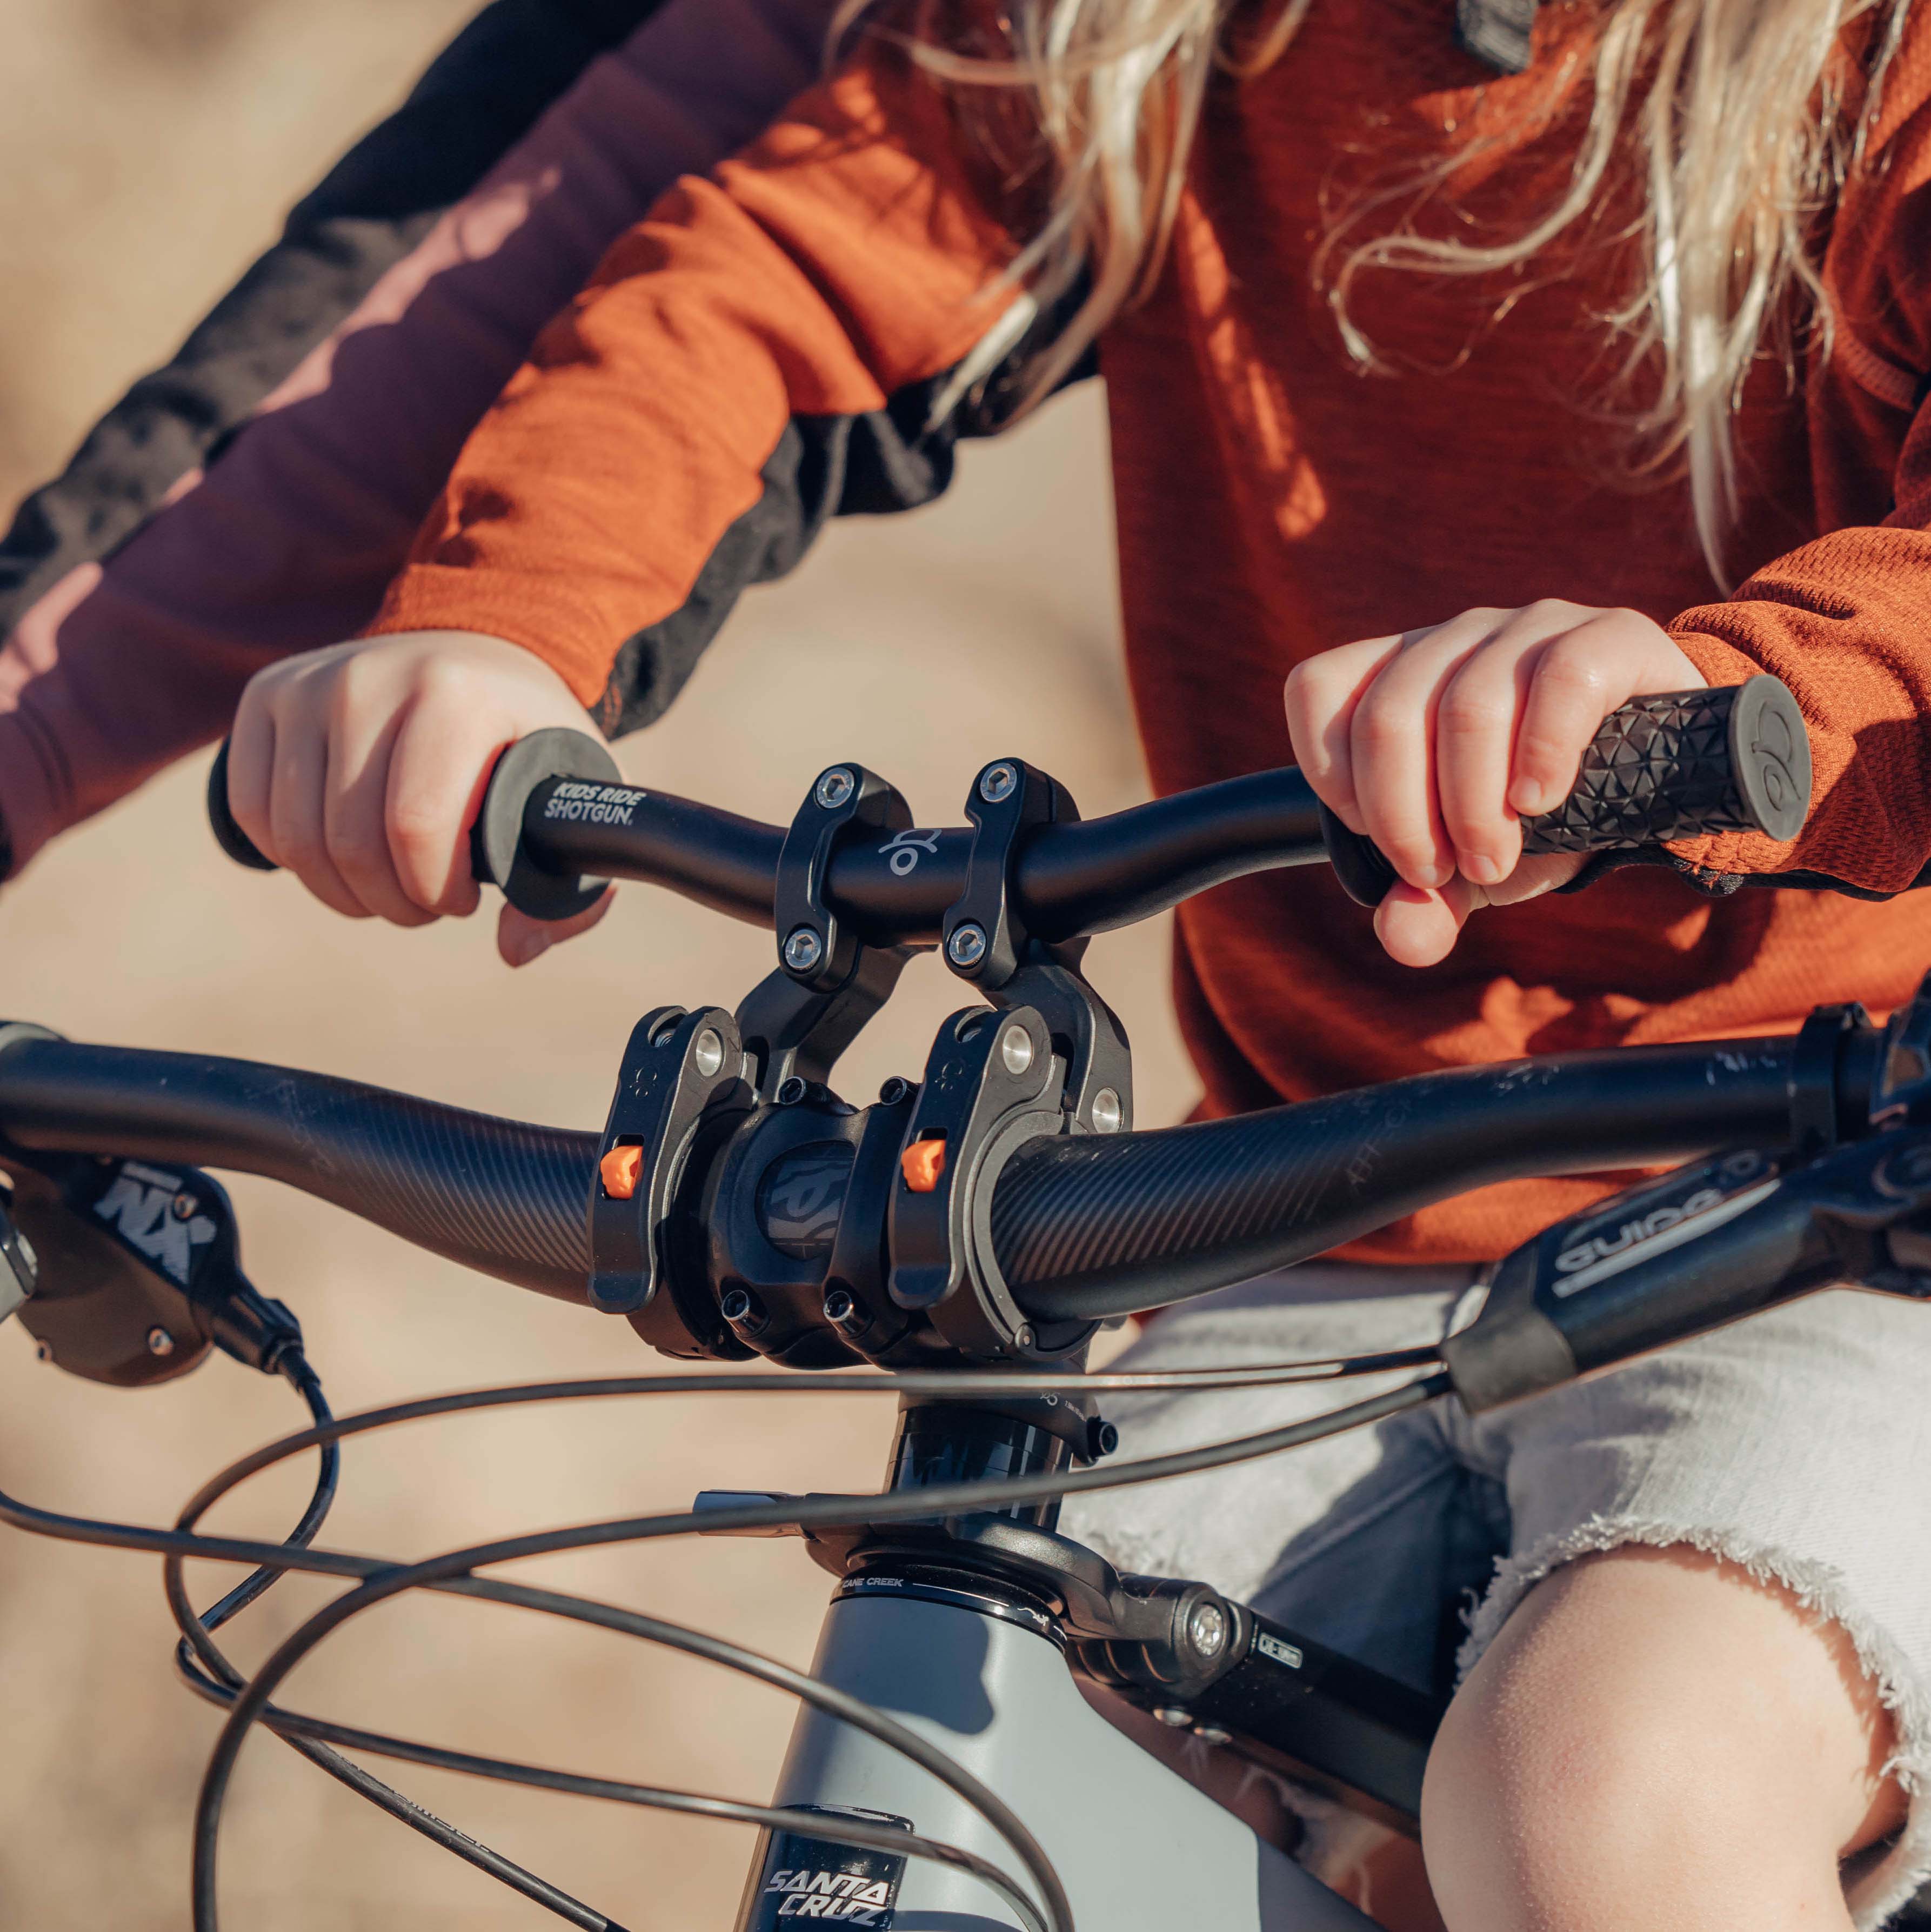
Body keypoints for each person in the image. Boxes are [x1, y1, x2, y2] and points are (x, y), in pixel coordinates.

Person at [26, 0, 1931, 1922]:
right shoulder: (1146, 37)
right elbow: (776, 275)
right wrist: (500, 630)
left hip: (1837, 1200)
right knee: (969, 1730)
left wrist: (1736, 689)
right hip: (1292, 1216)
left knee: (1607, 1784)